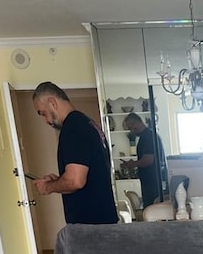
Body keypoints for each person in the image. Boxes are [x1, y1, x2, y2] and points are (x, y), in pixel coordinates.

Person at [31, 82, 118, 225]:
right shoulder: (87, 123)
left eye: (43, 113)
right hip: (103, 221)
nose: (45, 120)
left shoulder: (73, 128)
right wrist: (58, 181)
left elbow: (75, 181)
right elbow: (86, 176)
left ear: (52, 102)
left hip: (89, 226)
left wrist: (47, 187)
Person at [120, 112, 166, 207]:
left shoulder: (147, 137)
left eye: (130, 128)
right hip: (152, 181)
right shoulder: (148, 136)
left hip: (152, 182)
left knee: (153, 210)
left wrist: (133, 164)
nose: (131, 131)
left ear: (135, 124)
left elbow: (148, 160)